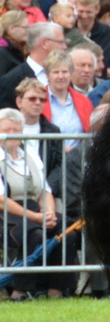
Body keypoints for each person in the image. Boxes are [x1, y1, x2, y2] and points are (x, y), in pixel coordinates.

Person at [0, 105, 63, 299]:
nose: (12, 134)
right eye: (6, 130)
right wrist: (36, 217)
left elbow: (45, 191)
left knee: (65, 229)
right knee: (33, 233)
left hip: (34, 210)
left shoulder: (30, 155)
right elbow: (1, 200)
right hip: (7, 214)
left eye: (16, 130)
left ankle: (57, 289)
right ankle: (20, 290)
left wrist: (49, 213)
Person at [40, 50, 90, 132]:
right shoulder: (38, 99)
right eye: (56, 72)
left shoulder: (84, 101)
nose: (61, 76)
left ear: (71, 74)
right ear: (47, 75)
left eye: (65, 72)